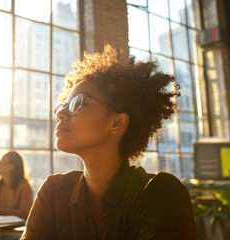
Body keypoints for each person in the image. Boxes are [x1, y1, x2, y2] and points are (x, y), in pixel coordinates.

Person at [20, 45, 196, 240]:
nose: (60, 114)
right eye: (62, 105)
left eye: (77, 103)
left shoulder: (159, 194)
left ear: (117, 123)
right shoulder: (54, 192)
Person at [0, 151, 33, 219]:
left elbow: (24, 214)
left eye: (1, 162)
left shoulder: (25, 187)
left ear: (11, 167)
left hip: (17, 227)